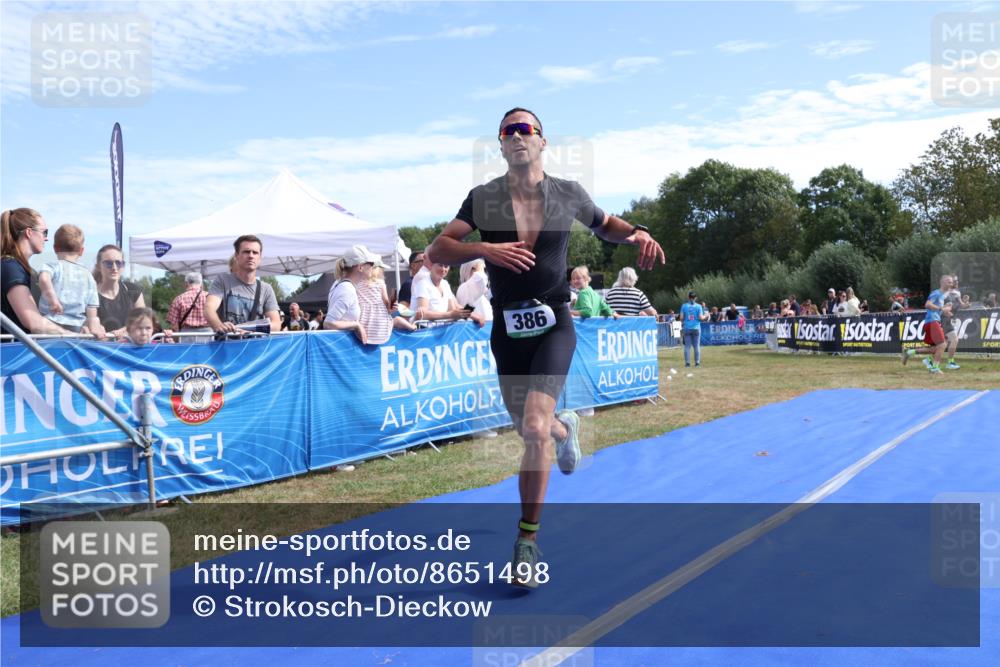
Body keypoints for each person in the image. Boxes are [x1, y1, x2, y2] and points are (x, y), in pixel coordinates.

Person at [425, 107, 665, 588]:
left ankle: (527, 542)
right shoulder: (485, 197)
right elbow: (438, 250)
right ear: (500, 143)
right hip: (508, 329)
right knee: (529, 428)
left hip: (555, 320)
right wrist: (485, 250)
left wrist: (636, 231)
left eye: (525, 129)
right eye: (508, 131)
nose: (517, 136)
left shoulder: (567, 192)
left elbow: (605, 224)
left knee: (531, 427)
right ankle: (563, 426)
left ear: (541, 141)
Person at [1, 208, 74, 336]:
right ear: (29, 232)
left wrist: (77, 329)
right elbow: (34, 322)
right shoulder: (11, 267)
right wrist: (72, 336)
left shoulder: (20, 268)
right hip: (12, 353)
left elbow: (39, 320)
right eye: (44, 232)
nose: (46, 239)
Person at [36, 224, 104, 337]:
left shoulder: (53, 266)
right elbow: (92, 305)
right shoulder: (88, 275)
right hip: (76, 326)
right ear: (81, 251)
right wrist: (94, 325)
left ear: (55, 248)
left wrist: (53, 299)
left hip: (50, 323)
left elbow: (43, 278)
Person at [206, 235, 281, 335]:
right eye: (246, 251)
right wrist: (219, 325)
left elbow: (276, 325)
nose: (251, 256)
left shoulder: (266, 289)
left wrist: (252, 330)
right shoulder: (223, 280)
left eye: (255, 252)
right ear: (237, 255)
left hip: (254, 347)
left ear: (260, 257)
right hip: (225, 345)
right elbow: (208, 308)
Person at [323, 244, 383, 344]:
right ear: (360, 267)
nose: (373, 267)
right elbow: (328, 323)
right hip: (341, 347)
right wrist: (356, 325)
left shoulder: (339, 283)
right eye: (371, 263)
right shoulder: (347, 288)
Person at [901, 274, 951, 374]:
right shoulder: (936, 293)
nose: (951, 283)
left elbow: (935, 308)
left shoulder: (941, 296)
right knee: (942, 344)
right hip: (932, 321)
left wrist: (945, 311)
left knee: (934, 349)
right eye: (949, 282)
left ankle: (909, 352)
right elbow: (927, 304)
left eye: (951, 282)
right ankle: (934, 368)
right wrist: (941, 308)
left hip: (933, 321)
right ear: (942, 282)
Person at [94, 244, 145, 337]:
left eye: (118, 263)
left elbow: (143, 320)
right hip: (100, 348)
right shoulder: (90, 294)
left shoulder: (133, 290)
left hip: (129, 349)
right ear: (98, 266)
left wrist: (127, 330)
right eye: (108, 263)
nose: (114, 267)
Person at [357, 264, 416, 345]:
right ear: (379, 271)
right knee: (397, 320)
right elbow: (386, 304)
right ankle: (412, 327)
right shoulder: (380, 283)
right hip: (381, 324)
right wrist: (392, 303)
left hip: (364, 323)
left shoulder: (357, 284)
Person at [414, 261, 481, 325]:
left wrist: (473, 315)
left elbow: (453, 307)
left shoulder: (445, 284)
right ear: (431, 265)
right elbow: (422, 314)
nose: (443, 269)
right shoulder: (423, 284)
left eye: (446, 266)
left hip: (442, 330)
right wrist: (450, 315)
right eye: (440, 265)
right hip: (425, 332)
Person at [167, 272, 212, 340]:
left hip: (186, 335)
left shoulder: (179, 299)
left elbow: (174, 326)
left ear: (186, 283)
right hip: (207, 335)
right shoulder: (210, 297)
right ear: (201, 284)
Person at [680, 290, 708, 367]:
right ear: (695, 298)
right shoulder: (699, 306)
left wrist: (685, 320)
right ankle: (697, 363)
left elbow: (681, 318)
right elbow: (701, 318)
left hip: (687, 328)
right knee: (696, 346)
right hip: (696, 328)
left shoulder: (684, 306)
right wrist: (706, 316)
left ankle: (687, 363)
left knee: (687, 346)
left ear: (688, 297)